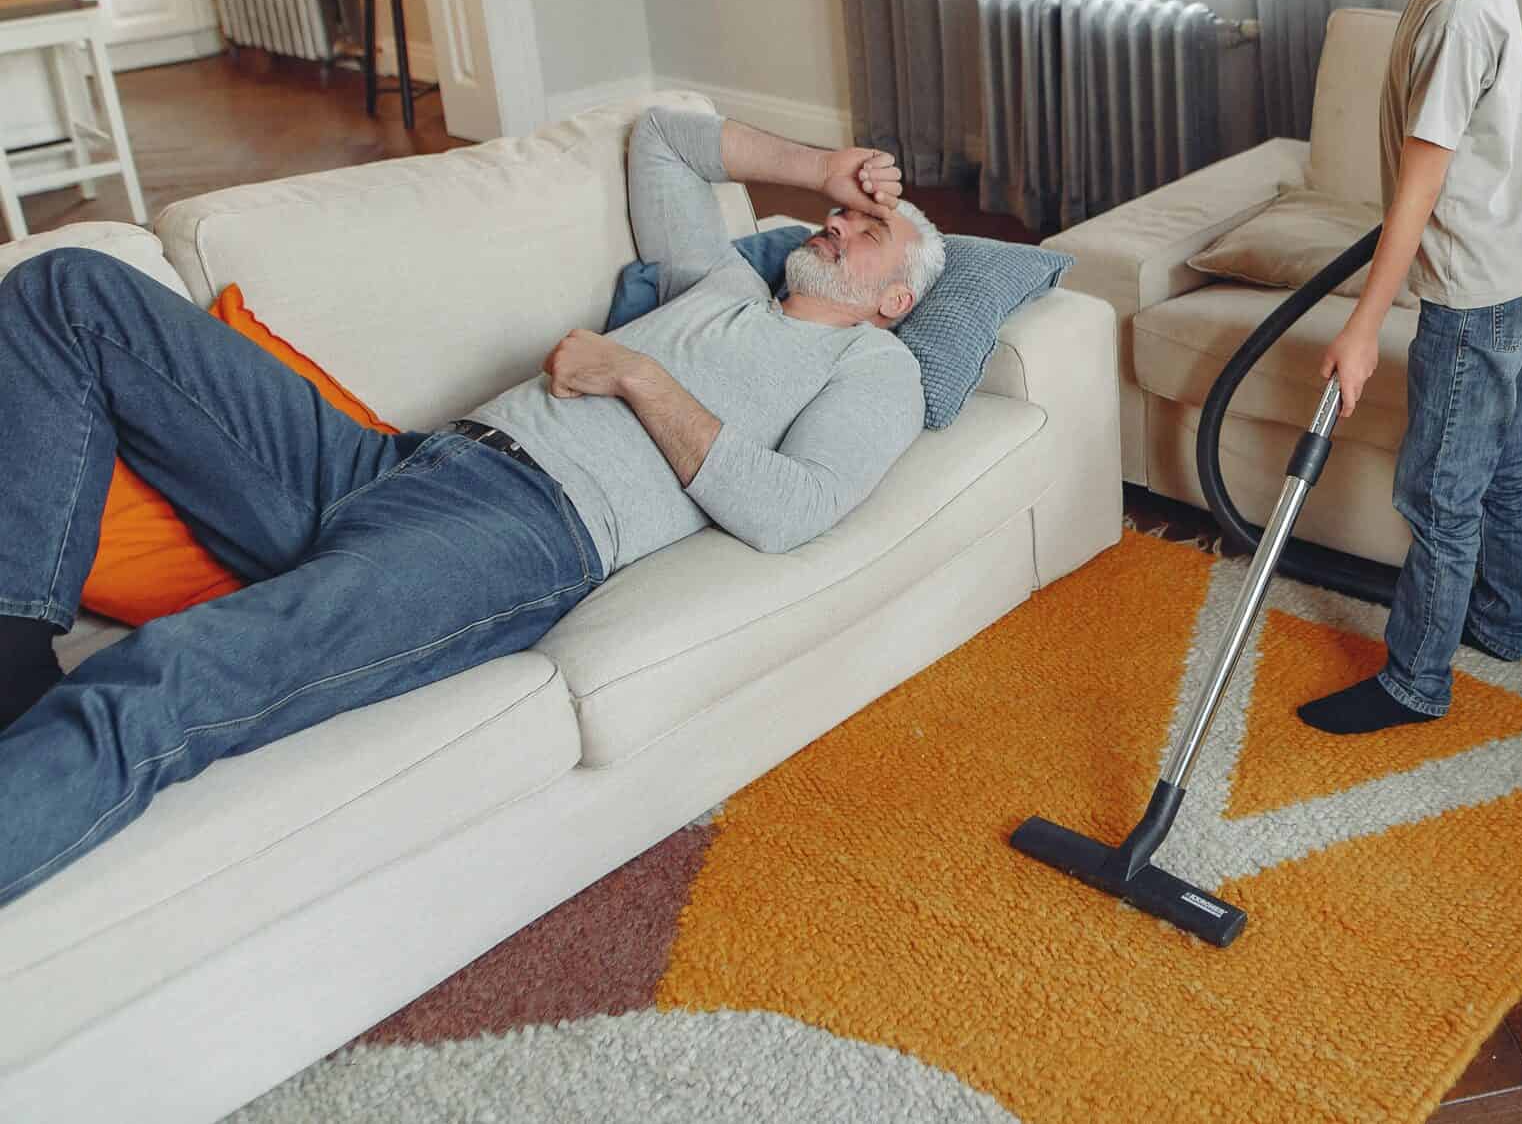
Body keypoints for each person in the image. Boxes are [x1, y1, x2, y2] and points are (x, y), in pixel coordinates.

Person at [0, 107, 942, 906]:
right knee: (68, 288)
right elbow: (660, 137)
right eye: (842, 211)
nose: (838, 223)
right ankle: (11, 648)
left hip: (514, 533)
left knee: (173, 669)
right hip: (390, 462)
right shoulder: (724, 280)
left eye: (869, 231)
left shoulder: (872, 366)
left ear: (893, 298)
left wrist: (639, 375)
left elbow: (793, 508)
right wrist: (824, 163)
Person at [1302, 0, 1522, 734]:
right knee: (1502, 471)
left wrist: (1363, 328)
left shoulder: (1458, 19)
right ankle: (1503, 626)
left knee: (1439, 492)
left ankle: (1415, 683)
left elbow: (1417, 194)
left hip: (1478, 291)